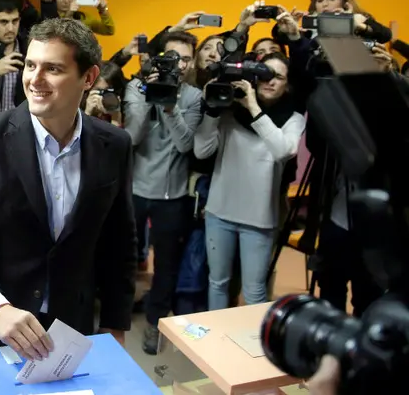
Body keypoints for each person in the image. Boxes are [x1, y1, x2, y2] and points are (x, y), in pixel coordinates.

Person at [0, 18, 136, 357]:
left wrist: (115, 322)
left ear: (88, 78)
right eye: (31, 65)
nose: (34, 79)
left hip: (69, 329)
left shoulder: (114, 145)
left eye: (53, 69)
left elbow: (119, 242)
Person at [194, 52, 306, 311]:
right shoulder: (231, 111)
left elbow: (282, 151)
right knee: (218, 283)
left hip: (259, 219)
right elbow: (202, 151)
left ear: (287, 84)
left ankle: (253, 349)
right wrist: (212, 110)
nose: (270, 81)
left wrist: (253, 107)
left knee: (254, 292)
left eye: (278, 77)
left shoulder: (293, 118)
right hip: (219, 212)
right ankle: (215, 346)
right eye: (265, 75)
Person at [123, 31, 203, 355]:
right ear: (160, 59)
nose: (179, 65)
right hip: (136, 187)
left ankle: (156, 322)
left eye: (185, 59)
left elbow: (186, 145)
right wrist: (149, 92)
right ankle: (118, 313)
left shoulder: (194, 97)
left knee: (166, 264)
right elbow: (132, 136)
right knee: (124, 257)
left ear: (193, 62)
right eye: (173, 58)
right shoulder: (135, 87)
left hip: (172, 194)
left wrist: (170, 107)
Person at [81, 61, 125, 127]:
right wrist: (87, 114)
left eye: (108, 92)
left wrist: (116, 120)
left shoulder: (123, 110)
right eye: (99, 91)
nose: (103, 97)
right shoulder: (75, 107)